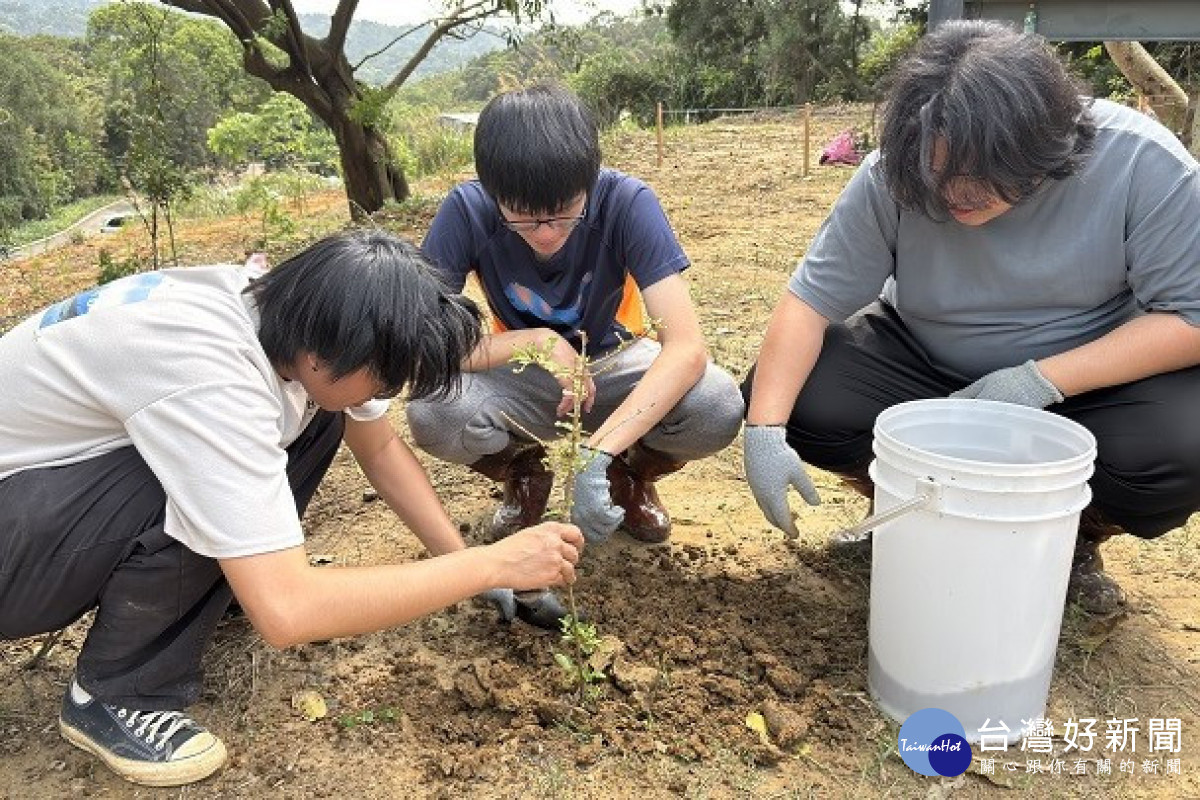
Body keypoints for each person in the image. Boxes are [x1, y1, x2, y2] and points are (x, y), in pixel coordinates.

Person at [0, 231, 584, 788]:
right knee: (195, 477)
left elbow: (378, 447)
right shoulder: (209, 376)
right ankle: (115, 694)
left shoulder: (285, 312)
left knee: (317, 418)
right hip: (15, 542)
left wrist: (465, 566)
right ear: (320, 350)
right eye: (384, 381)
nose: (385, 396)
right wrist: (492, 566)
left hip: (46, 498)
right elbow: (288, 612)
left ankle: (212, 589)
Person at [742, 20, 1200, 617]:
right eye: (939, 174)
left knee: (1181, 447)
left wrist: (1039, 380)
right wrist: (764, 432)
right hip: (925, 360)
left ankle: (1071, 539)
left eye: (984, 176)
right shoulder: (891, 173)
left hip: (1089, 380)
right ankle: (908, 511)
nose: (958, 195)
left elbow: (1191, 316)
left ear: (1049, 144)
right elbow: (808, 304)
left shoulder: (1140, 163)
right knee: (800, 393)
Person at [408, 82, 744, 553]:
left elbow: (686, 347)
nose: (546, 234)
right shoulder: (467, 210)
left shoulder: (627, 202)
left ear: (590, 180)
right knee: (432, 410)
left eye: (565, 213)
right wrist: (536, 343)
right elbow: (423, 346)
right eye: (522, 217)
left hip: (617, 365)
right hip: (523, 377)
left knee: (716, 404)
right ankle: (524, 472)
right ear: (492, 191)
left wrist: (597, 451)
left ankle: (627, 474)